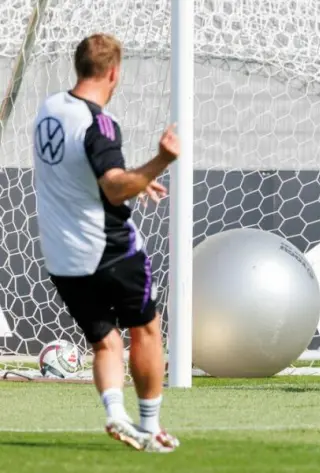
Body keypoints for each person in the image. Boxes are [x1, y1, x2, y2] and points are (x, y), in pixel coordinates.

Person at [32, 33, 181, 451]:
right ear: (114, 73)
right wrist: (159, 163)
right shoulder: (99, 123)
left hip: (62, 255)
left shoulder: (48, 109)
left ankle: (116, 415)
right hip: (108, 249)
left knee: (105, 340)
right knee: (147, 330)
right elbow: (114, 188)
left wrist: (139, 179)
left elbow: (86, 174)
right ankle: (151, 426)